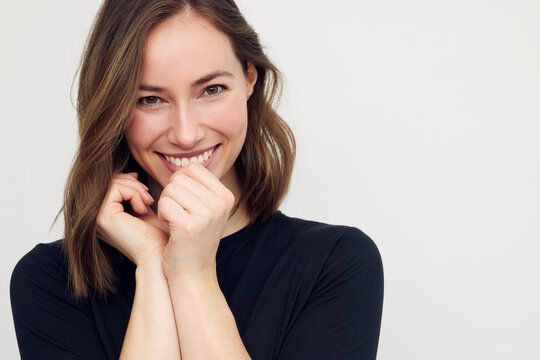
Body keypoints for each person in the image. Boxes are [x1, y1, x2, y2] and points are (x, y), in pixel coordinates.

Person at [10, 0, 384, 359]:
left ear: (250, 78)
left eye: (212, 90)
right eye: (150, 99)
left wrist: (193, 273)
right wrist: (154, 261)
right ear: (112, 106)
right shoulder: (50, 281)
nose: (186, 135)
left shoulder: (335, 263)